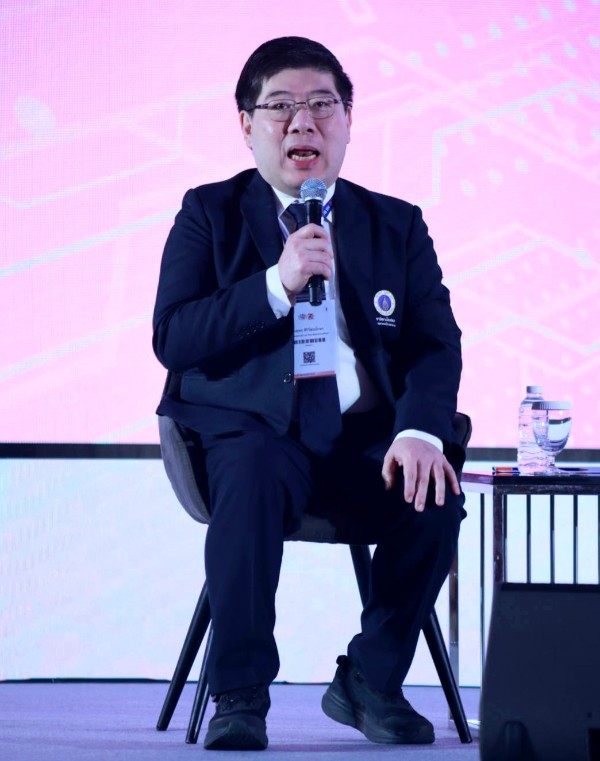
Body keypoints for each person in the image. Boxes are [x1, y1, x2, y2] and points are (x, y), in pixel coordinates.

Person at [153, 36, 466, 751]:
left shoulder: (396, 223)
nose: (304, 123)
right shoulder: (209, 212)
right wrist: (277, 283)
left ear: (349, 120)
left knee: (435, 489)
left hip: (364, 441)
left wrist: (420, 429)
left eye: (323, 105)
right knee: (255, 468)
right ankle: (239, 693)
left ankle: (371, 680)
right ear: (247, 125)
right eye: (281, 107)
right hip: (254, 435)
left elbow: (435, 342)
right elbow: (174, 335)